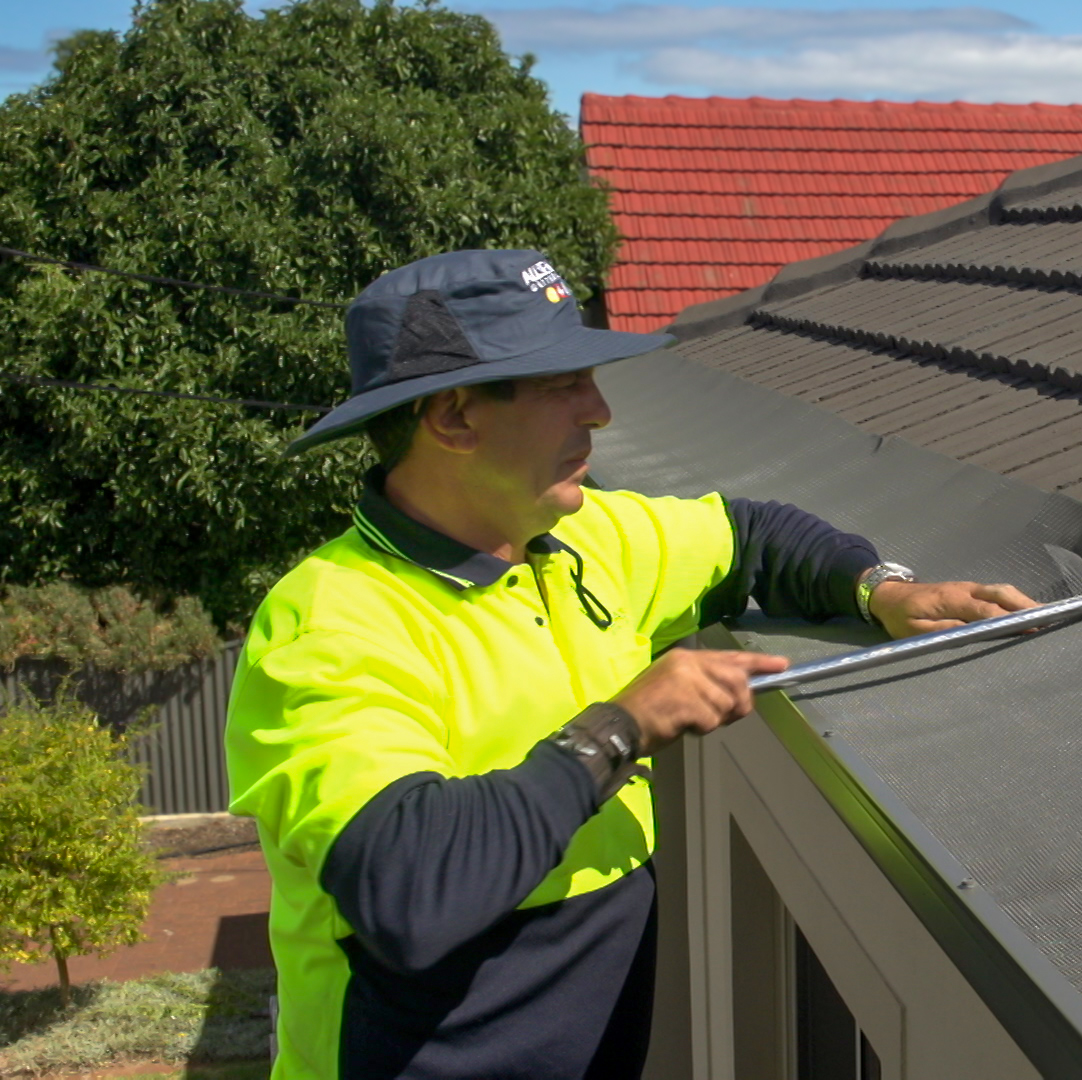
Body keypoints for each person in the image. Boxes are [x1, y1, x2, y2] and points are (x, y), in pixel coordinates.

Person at [225, 250, 1035, 1080]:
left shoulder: (586, 540)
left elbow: (750, 535)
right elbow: (408, 888)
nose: (601, 411)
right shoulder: (331, 622)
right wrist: (621, 727)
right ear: (454, 417)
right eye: (561, 385)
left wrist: (878, 590)